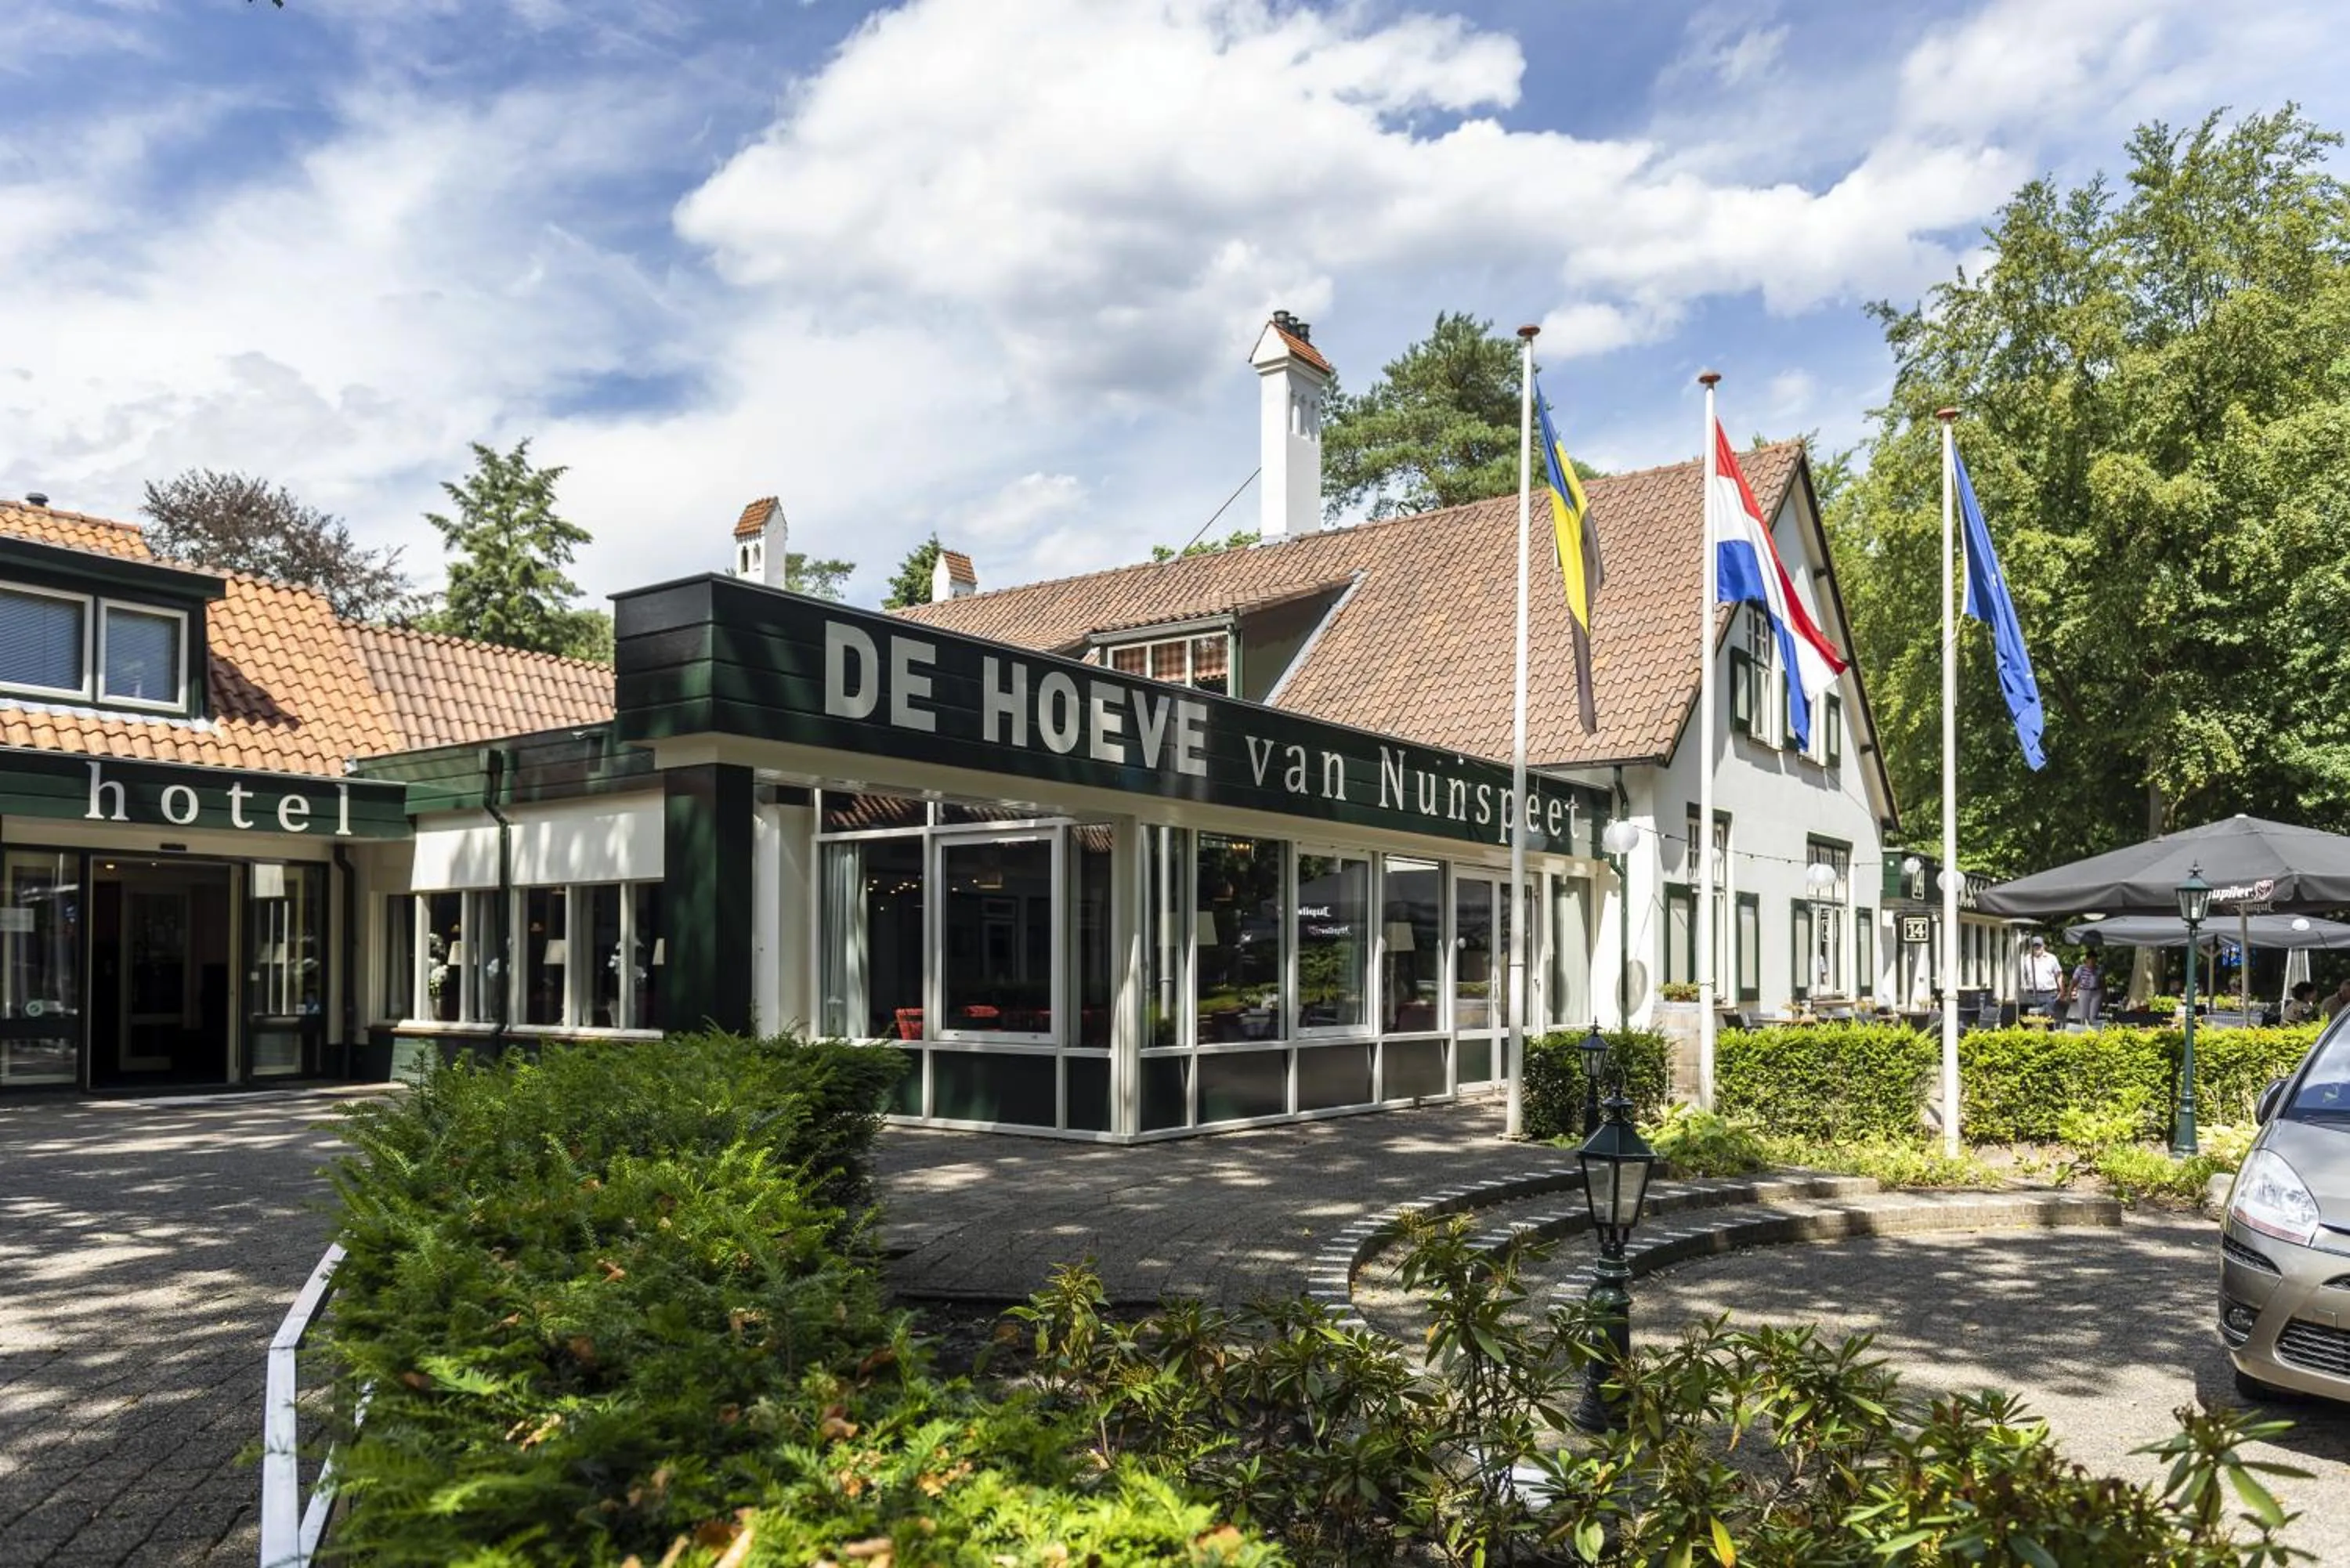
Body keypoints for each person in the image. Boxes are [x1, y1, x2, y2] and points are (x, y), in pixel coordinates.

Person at [2022, 936, 2063, 1017]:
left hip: (2049, 994)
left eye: (2039, 945)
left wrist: (2062, 990)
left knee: (2049, 1019)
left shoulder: (2051, 958)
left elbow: (2059, 975)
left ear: (2043, 946)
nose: (2037, 948)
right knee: (2033, 1018)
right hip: (2032, 994)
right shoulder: (2027, 959)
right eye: (2035, 946)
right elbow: (2023, 975)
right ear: (2032, 947)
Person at [2068, 951, 2103, 1029]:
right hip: (2084, 991)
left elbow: (2102, 983)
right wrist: (2069, 993)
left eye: (2095, 960)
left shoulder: (2099, 969)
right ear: (2087, 960)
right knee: (2084, 1016)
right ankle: (2083, 1031)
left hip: (2096, 992)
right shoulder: (2081, 969)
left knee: (2093, 1016)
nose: (2093, 963)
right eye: (2092, 960)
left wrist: (2105, 994)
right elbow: (2074, 981)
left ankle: (2094, 1031)